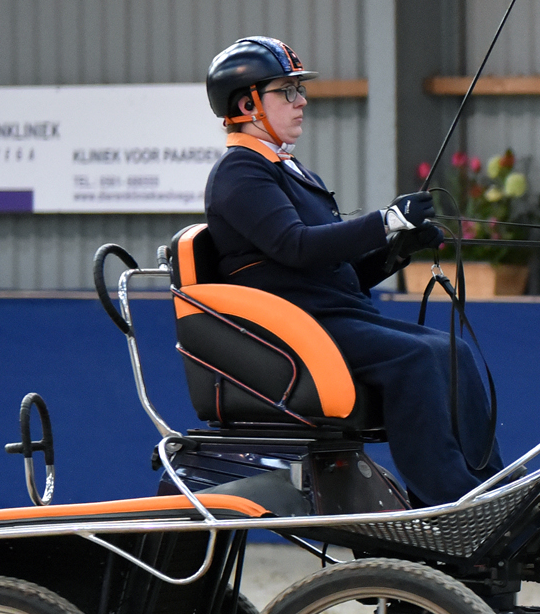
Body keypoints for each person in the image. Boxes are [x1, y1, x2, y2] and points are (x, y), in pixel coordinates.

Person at [200, 36, 496, 506]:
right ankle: (447, 501)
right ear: (247, 103)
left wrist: (398, 247)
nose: (301, 102)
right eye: (286, 92)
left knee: (452, 351)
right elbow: (295, 247)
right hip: (299, 330)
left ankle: (487, 486)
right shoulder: (240, 174)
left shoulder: (292, 172)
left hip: (333, 314)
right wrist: (384, 221)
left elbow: (335, 272)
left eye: (299, 91)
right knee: (415, 359)